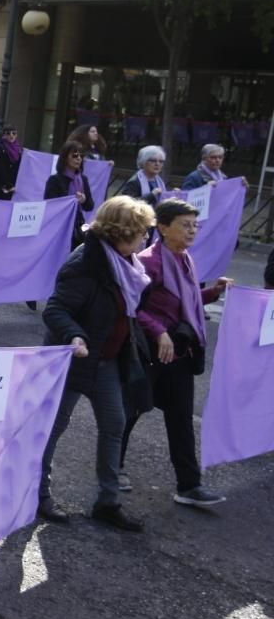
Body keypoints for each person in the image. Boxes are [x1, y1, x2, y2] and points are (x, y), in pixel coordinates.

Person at [38, 196, 156, 532]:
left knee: (114, 424)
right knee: (53, 428)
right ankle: (37, 493)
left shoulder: (128, 264)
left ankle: (108, 502)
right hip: (74, 360)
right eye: (141, 232)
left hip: (105, 361)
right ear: (122, 232)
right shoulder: (86, 264)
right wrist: (75, 336)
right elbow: (55, 310)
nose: (146, 239)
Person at [120, 199, 231, 507]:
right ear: (163, 227)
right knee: (134, 409)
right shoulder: (148, 261)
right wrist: (159, 331)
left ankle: (189, 485)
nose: (192, 230)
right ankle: (113, 467)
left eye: (195, 225)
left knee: (181, 418)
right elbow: (131, 307)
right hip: (152, 352)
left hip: (180, 352)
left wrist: (214, 292)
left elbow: (189, 300)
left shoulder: (184, 258)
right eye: (185, 224)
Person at [44, 140, 96, 249]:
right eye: (74, 155)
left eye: (81, 156)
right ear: (65, 157)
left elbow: (90, 206)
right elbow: (49, 206)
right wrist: (68, 201)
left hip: (78, 226)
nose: (78, 159)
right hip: (59, 227)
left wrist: (83, 200)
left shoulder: (83, 179)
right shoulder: (55, 180)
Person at [180, 143, 245, 190]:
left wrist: (242, 187)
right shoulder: (193, 177)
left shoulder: (224, 177)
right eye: (213, 157)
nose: (217, 160)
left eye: (220, 157)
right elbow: (186, 199)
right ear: (204, 158)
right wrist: (205, 189)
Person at [0, 123, 22, 200]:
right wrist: (7, 186)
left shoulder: (19, 148)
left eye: (14, 133)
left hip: (14, 184)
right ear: (4, 135)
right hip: (2, 185)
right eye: (8, 133)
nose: (11, 135)